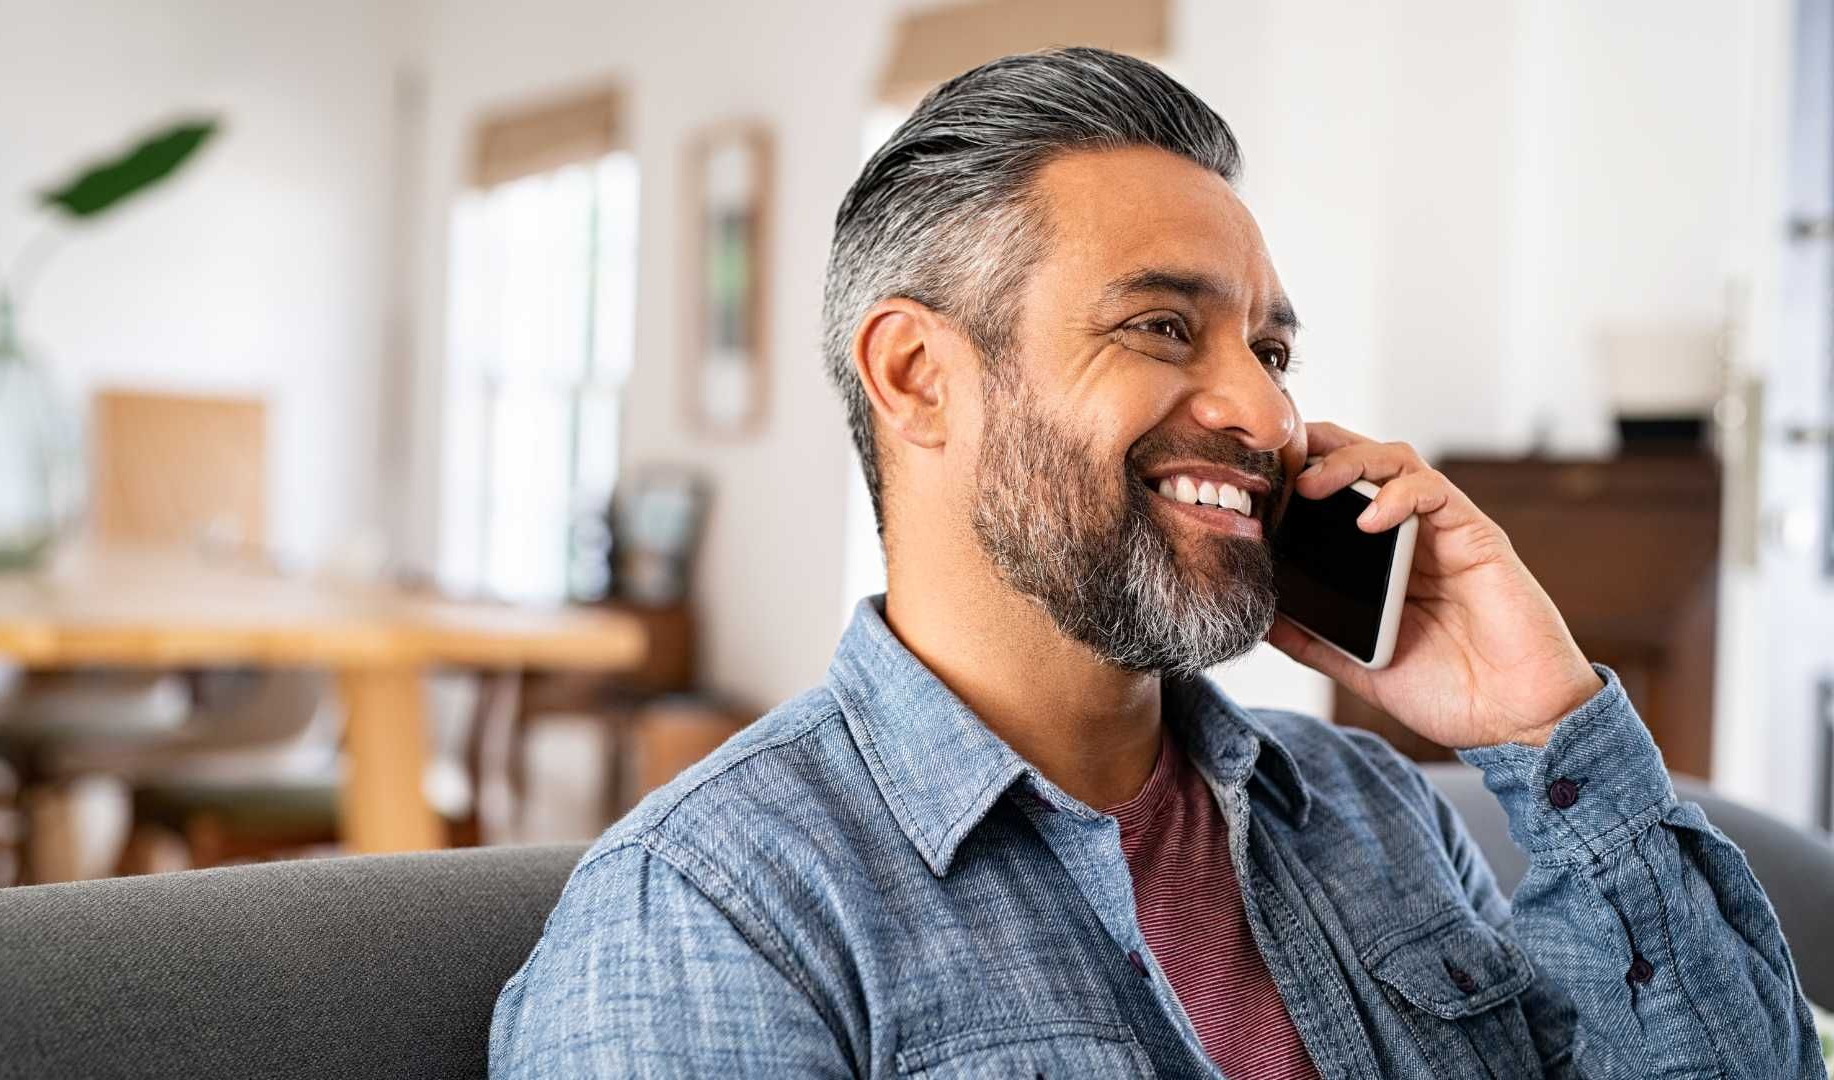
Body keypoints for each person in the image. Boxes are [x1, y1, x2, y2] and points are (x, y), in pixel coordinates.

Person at [489, 46, 1823, 1078]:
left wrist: (1547, 726)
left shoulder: (1374, 813)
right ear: (918, 377)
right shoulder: (709, 916)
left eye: (1272, 351)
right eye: (1163, 327)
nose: (1267, 413)